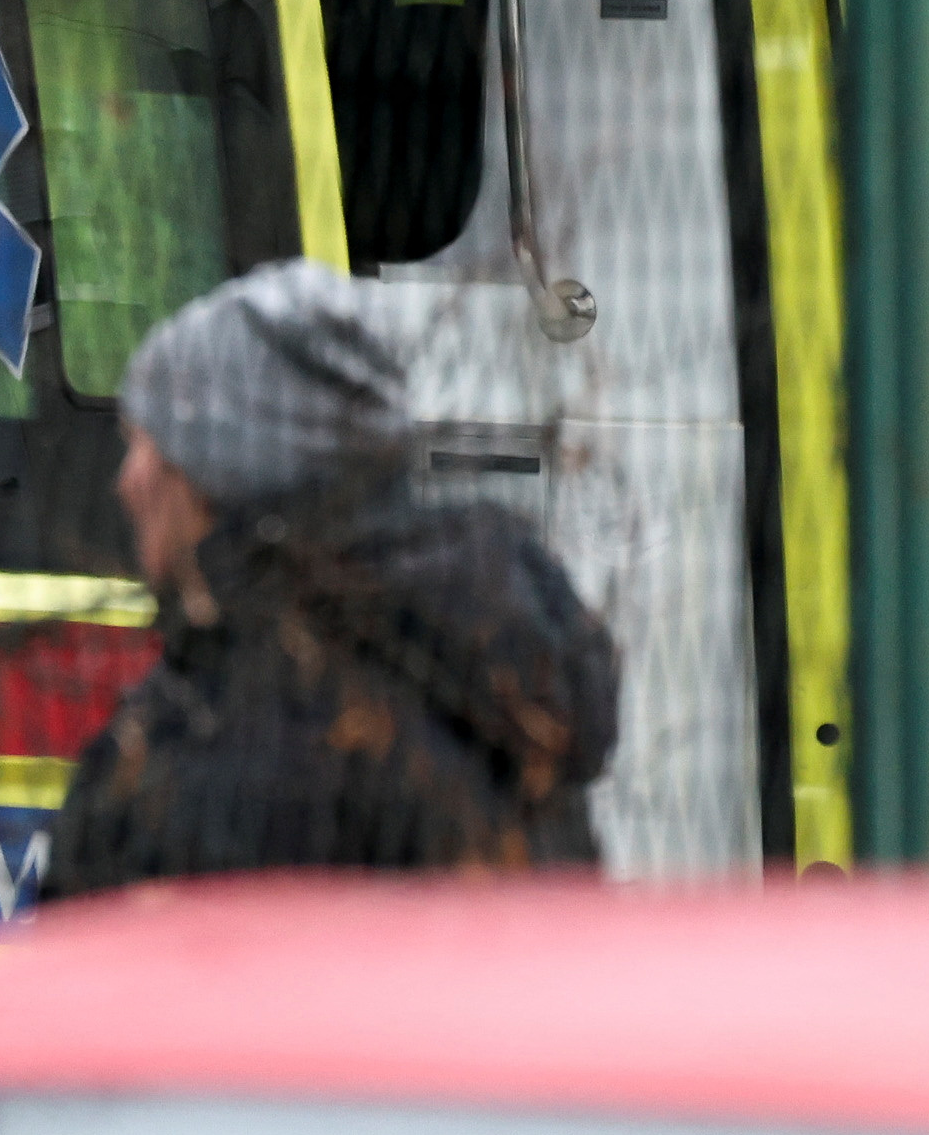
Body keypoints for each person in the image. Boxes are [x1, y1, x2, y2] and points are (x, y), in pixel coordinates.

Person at [44, 261, 621, 885]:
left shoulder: (233, 745)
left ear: (213, 468)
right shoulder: (501, 682)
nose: (126, 481)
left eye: (144, 443)